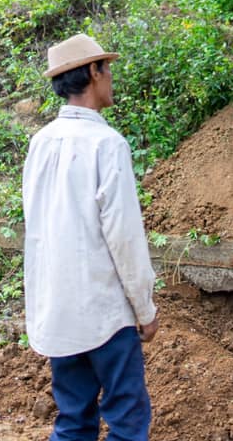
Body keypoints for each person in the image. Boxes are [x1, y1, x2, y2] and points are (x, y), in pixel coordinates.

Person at [23, 33, 158, 441]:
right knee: (127, 421)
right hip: (105, 312)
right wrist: (145, 308)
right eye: (107, 69)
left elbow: (38, 223)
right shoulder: (107, 144)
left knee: (73, 420)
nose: (111, 78)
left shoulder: (41, 142)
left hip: (58, 310)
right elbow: (124, 237)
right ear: (94, 72)